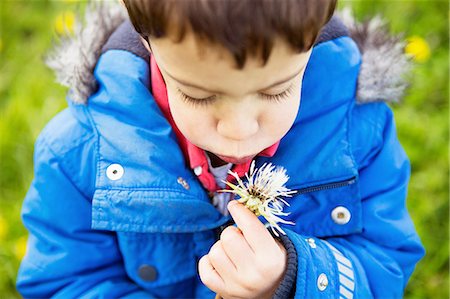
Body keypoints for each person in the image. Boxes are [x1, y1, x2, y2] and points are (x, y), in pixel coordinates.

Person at [16, 1, 425, 298]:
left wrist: (293, 276)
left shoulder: (355, 134)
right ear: (149, 41)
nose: (239, 130)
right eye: (198, 95)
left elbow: (385, 264)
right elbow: (65, 282)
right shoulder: (81, 152)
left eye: (277, 90)